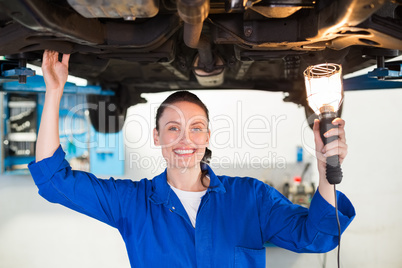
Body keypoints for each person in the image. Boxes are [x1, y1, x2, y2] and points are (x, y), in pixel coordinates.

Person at [29, 50, 355, 267]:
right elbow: (52, 180)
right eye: (173, 128)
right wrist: (54, 92)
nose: (186, 139)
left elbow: (318, 237)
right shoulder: (132, 203)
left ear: (208, 136)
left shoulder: (251, 198)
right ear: (157, 137)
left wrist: (328, 169)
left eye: (196, 128)